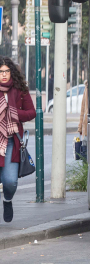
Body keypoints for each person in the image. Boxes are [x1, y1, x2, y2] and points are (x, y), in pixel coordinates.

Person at [0, 57, 35, 222]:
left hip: (12, 141)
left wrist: (14, 113)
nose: (4, 75)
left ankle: (7, 200)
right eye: (1, 72)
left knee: (10, 182)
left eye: (7, 71)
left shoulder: (20, 89)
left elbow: (31, 112)